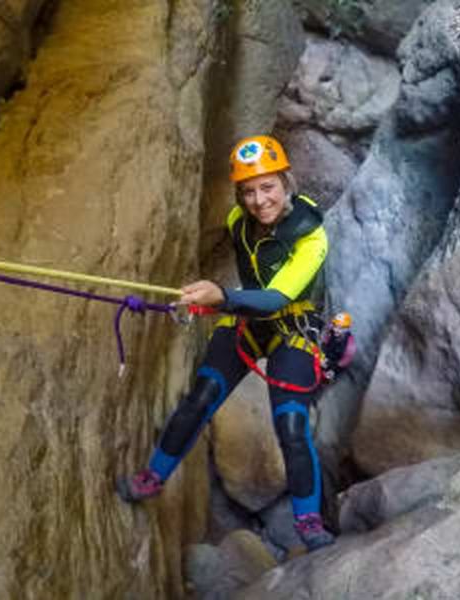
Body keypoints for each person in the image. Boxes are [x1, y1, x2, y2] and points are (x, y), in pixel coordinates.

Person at [116, 135, 335, 552]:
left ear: (287, 183)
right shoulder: (238, 221)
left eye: (268, 187)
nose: (259, 200)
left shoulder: (311, 237)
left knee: (291, 424)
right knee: (200, 398)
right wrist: (207, 304)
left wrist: (221, 296)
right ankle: (152, 479)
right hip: (249, 322)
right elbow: (254, 290)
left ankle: (308, 520)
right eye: (249, 191)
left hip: (295, 328)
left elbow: (278, 297)